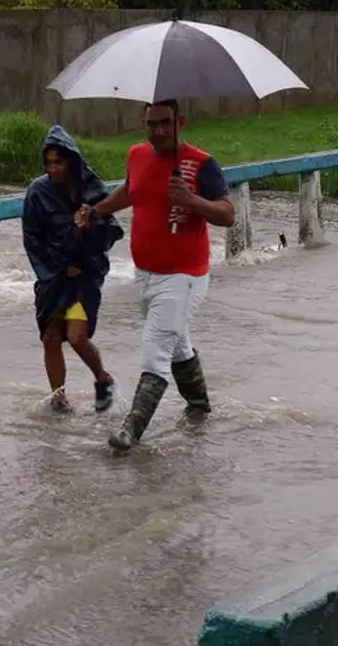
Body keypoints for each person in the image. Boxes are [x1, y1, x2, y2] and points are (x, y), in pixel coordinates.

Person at [77, 99, 236, 451]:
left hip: (185, 276)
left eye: (166, 123)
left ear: (182, 122)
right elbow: (132, 191)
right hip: (146, 273)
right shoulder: (137, 155)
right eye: (152, 124)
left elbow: (227, 214)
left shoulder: (201, 164)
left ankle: (130, 432)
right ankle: (199, 407)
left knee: (155, 349)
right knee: (177, 345)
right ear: (143, 123)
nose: (159, 131)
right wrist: (98, 210)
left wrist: (192, 201)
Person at [21, 125, 123, 414]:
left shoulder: (91, 189)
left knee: (77, 337)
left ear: (72, 160)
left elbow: (110, 233)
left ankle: (102, 378)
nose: (54, 169)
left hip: (83, 279)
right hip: (53, 277)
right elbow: (32, 239)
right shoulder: (37, 192)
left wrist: (90, 226)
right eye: (49, 163)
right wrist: (54, 271)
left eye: (60, 162)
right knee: (51, 336)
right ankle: (58, 396)